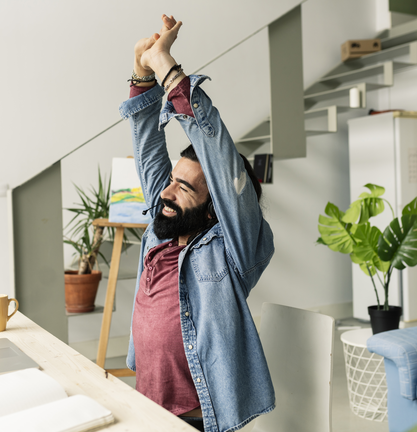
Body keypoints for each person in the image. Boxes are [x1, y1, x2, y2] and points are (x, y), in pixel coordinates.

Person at [118, 15, 276, 432]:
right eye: (172, 182)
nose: (167, 194)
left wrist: (168, 67)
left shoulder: (232, 249)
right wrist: (142, 70)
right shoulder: (162, 226)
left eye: (185, 189)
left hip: (198, 417)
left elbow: (223, 168)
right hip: (145, 402)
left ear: (214, 207)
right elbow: (149, 148)